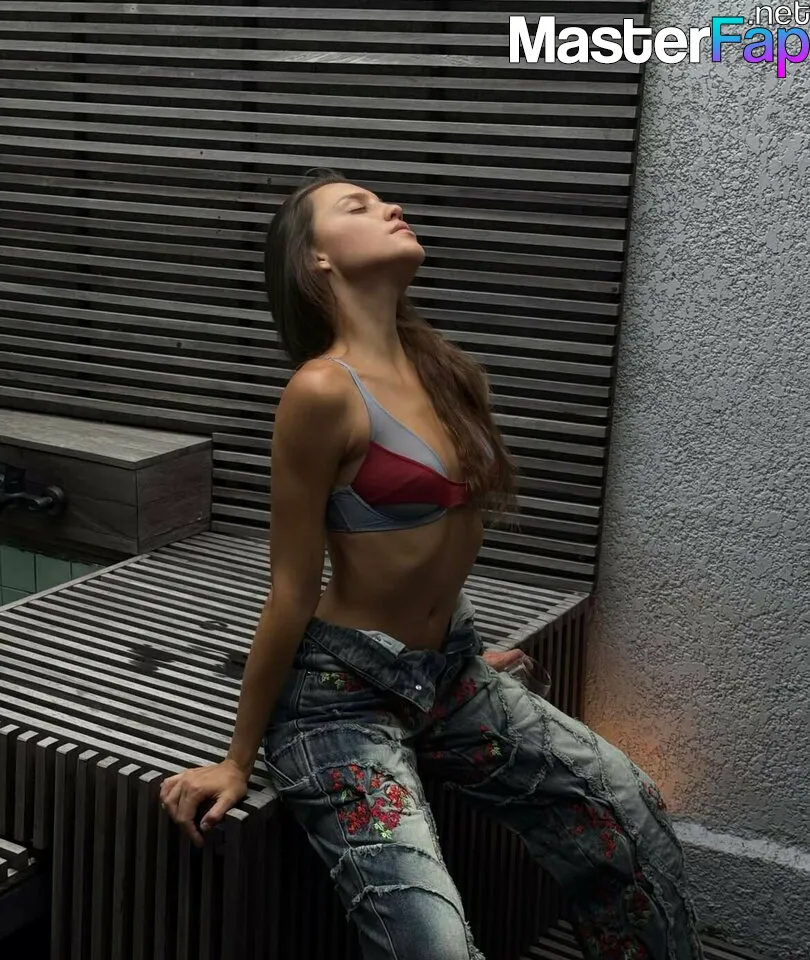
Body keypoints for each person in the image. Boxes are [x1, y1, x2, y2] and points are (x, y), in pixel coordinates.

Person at [160, 167, 705, 960]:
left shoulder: (442, 368)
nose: (390, 206)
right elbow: (290, 589)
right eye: (358, 206)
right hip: (339, 701)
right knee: (435, 946)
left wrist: (454, 656)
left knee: (631, 805)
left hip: (448, 674)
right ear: (316, 259)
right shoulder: (322, 391)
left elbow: (447, 539)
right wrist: (237, 759)